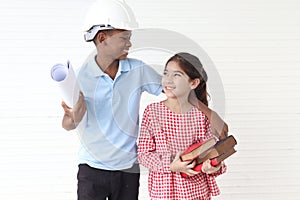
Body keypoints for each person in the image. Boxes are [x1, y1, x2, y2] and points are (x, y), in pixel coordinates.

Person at [61, 0, 228, 199]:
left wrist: (211, 114)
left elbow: (174, 90)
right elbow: (68, 124)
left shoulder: (137, 70)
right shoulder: (80, 77)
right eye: (124, 37)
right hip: (92, 168)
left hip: (128, 170)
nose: (129, 44)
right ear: (102, 38)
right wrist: (73, 116)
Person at [137, 52, 227, 200]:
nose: (168, 80)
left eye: (177, 75)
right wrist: (171, 166)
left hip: (196, 192)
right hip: (163, 193)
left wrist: (213, 166)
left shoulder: (200, 115)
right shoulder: (152, 112)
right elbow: (144, 155)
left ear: (193, 83)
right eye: (166, 73)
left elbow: (211, 152)